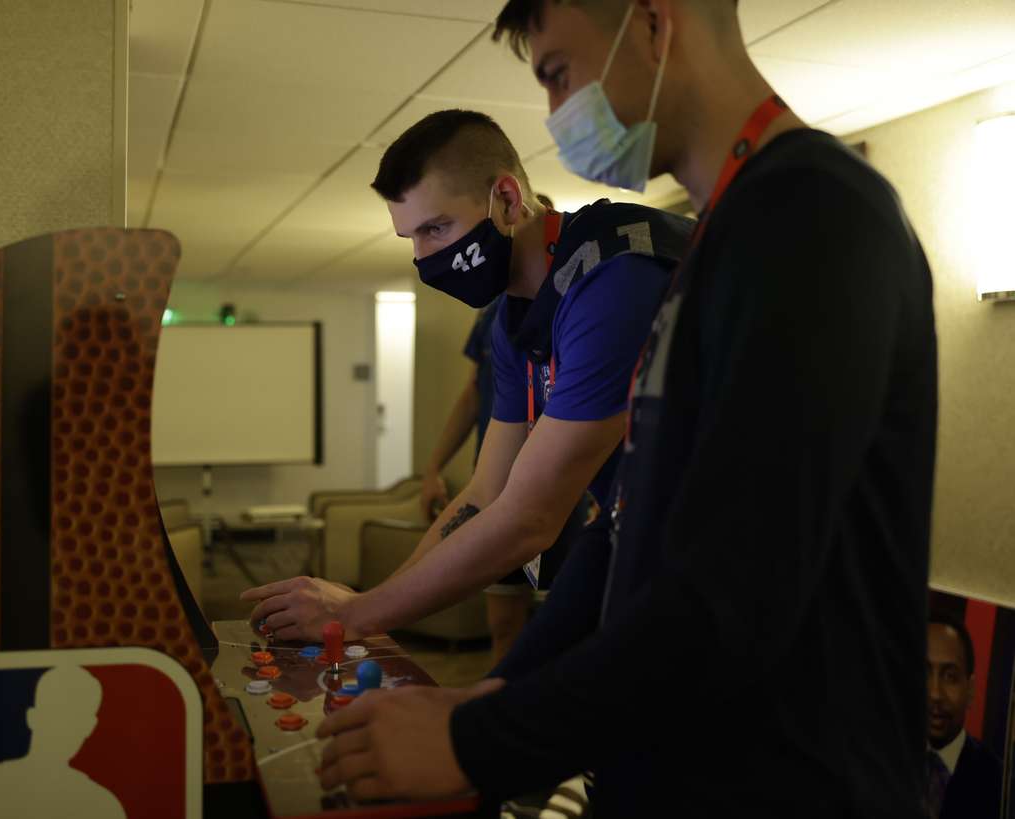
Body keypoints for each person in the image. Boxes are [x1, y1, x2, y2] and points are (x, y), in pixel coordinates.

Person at [315, 2, 938, 817]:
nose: (555, 113)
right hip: (670, 764)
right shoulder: (719, 239)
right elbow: (625, 533)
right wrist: (490, 699)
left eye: (559, 74)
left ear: (654, 22)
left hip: (785, 783)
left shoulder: (810, 214)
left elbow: (730, 592)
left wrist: (481, 740)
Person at [242, 109, 691, 645]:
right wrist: (366, 602)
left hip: (744, 534)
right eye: (411, 238)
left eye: (436, 228)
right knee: (527, 686)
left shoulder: (612, 277)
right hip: (647, 520)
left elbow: (529, 518)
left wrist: (360, 613)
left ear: (505, 198)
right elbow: (485, 492)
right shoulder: (512, 323)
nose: (424, 258)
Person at [419, 194, 595, 664]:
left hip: (565, 483)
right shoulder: (497, 317)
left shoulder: (590, 298)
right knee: (505, 625)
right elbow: (475, 392)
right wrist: (434, 465)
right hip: (500, 472)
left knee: (566, 629)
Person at [0, 665, 125, 819]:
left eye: (76, 719)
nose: (65, 728)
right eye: (56, 715)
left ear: (89, 727)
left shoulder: (101, 805)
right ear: (33, 718)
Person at [926, 613, 1003, 818]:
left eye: (950, 677)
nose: (935, 693)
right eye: (923, 673)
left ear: (970, 690)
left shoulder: (998, 779)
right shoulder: (880, 765)